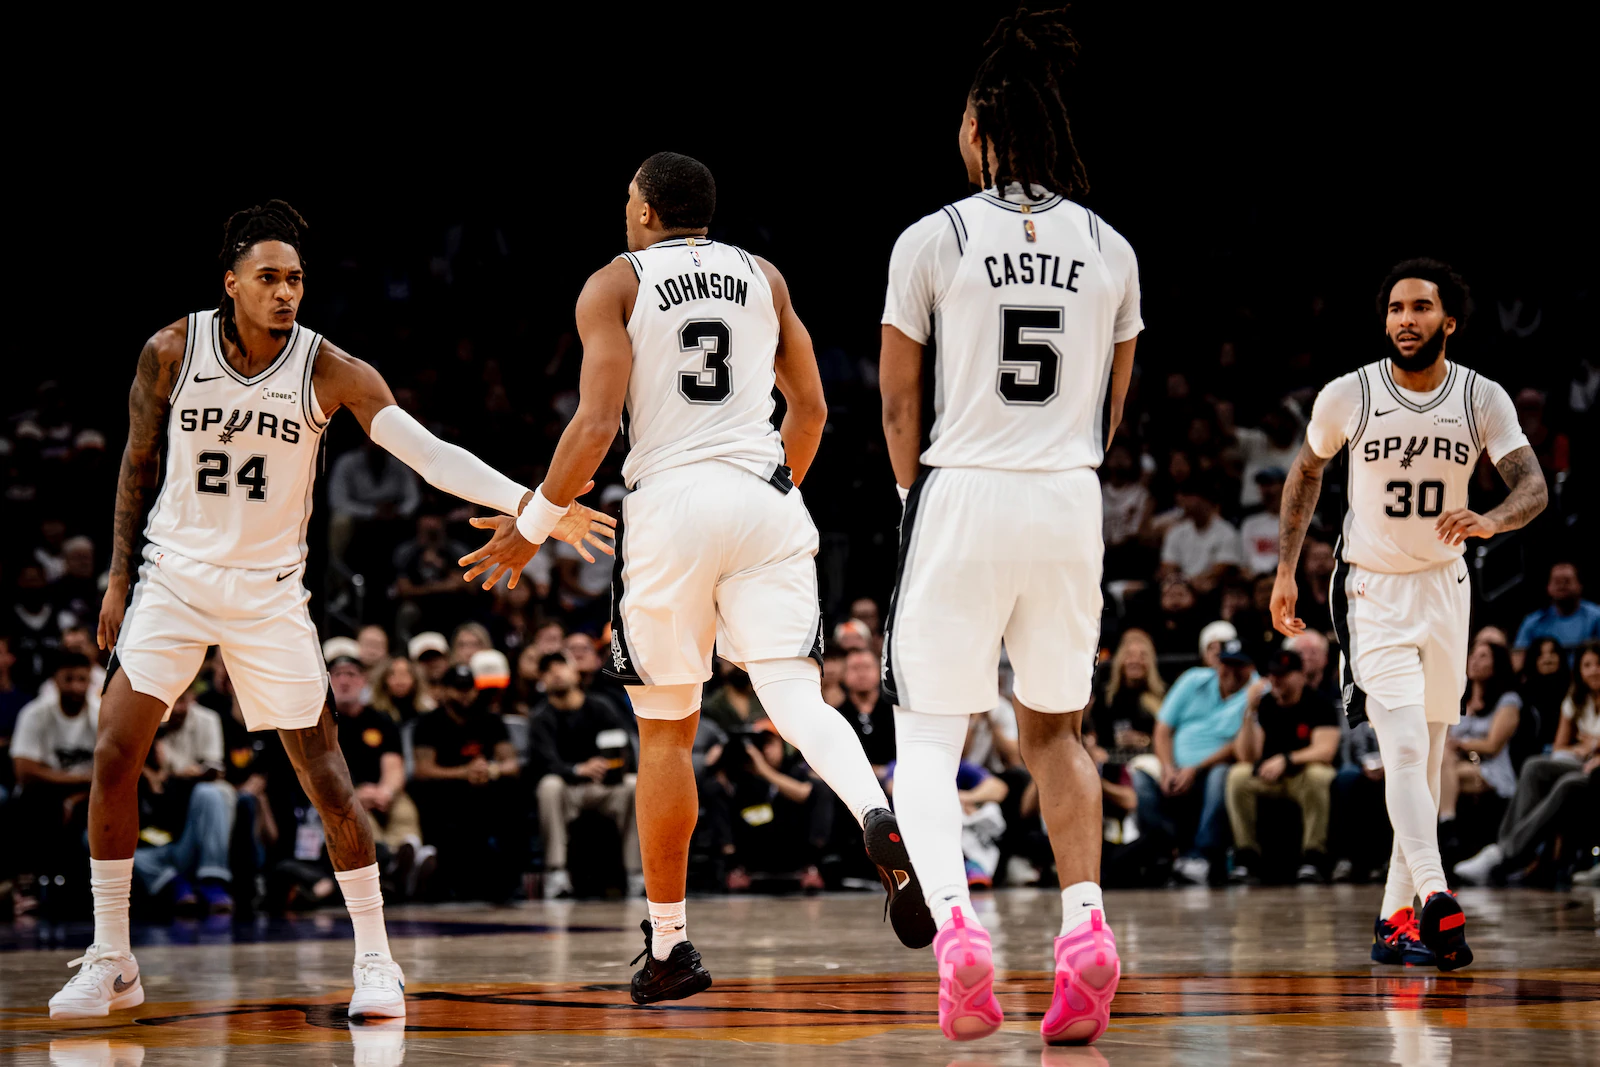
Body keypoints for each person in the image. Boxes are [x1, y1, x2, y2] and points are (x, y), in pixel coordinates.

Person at [53, 200, 607, 1021]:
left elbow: (427, 454)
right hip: (174, 576)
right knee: (113, 753)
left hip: (269, 591)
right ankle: (112, 956)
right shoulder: (170, 349)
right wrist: (117, 579)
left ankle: (376, 959)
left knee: (327, 776)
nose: (285, 292)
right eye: (268, 278)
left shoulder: (330, 369)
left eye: (296, 279)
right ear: (231, 281)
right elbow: (137, 465)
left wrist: (532, 504)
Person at [459, 151, 929, 1005]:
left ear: (644, 210)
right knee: (797, 700)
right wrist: (773, 489)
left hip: (670, 506)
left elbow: (595, 426)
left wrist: (531, 528)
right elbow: (813, 409)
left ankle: (671, 946)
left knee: (668, 732)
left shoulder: (615, 282)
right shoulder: (764, 276)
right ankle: (875, 812)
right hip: (763, 494)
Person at [876, 9, 1139, 1045]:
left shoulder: (932, 237)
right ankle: (1084, 924)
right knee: (1055, 731)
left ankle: (957, 930)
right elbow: (1114, 406)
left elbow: (899, 401)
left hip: (963, 490)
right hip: (1068, 495)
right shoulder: (1110, 246)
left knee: (927, 735)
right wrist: (1065, 469)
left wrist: (914, 500)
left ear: (983, 127)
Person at [1272, 258, 1546, 973]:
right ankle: (1434, 891)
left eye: (1420, 307)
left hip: (1446, 587)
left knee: (1425, 757)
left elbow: (1533, 486)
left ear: (1449, 321)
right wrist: (1285, 570)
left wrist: (1491, 519)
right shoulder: (1350, 394)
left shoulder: (1480, 396)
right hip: (1371, 589)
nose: (1405, 319)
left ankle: (1395, 920)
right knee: (1399, 747)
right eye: (1395, 308)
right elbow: (1305, 472)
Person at [1453, 641, 1600, 883]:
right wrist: (1588, 748)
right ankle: (1502, 848)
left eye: (1598, 665)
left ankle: (1504, 853)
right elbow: (1560, 747)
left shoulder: (1508, 701)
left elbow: (1492, 745)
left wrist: (1593, 746)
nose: (1594, 670)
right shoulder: (1576, 700)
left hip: (1593, 770)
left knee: (1569, 784)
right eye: (1587, 665)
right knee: (1534, 766)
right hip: (1582, 763)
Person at [528, 653, 642, 899]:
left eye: (561, 666)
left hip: (603, 786)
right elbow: (544, 762)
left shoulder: (600, 707)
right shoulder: (541, 717)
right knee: (548, 786)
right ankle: (556, 873)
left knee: (633, 785)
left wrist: (610, 766)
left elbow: (623, 747)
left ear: (575, 672)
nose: (556, 673)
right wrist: (577, 769)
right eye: (548, 670)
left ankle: (636, 874)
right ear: (542, 680)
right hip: (567, 790)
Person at [1140, 640, 1255, 884]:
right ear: (1217, 664)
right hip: (1174, 766)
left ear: (1251, 668)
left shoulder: (1258, 691)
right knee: (1139, 778)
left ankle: (1200, 856)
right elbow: (1163, 729)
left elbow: (1239, 748)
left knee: (1221, 775)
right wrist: (1167, 767)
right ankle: (1166, 852)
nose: (1231, 672)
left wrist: (1196, 768)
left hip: (1212, 768)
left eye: (1239, 666)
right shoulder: (1193, 679)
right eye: (1227, 664)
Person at [1224, 648, 1340, 882]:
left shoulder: (1318, 703)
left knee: (1318, 775)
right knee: (1238, 775)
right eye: (1273, 675)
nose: (1276, 680)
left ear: (1300, 676)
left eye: (1283, 675)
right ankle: (1247, 856)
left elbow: (1325, 751)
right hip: (1272, 779)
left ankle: (1313, 856)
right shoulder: (1266, 704)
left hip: (1302, 776)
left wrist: (1287, 759)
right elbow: (1247, 755)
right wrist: (1249, 711)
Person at [410, 665, 523, 901]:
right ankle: (447, 883)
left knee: (511, 792)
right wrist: (463, 772)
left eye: (468, 688)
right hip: (446, 791)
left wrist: (490, 769)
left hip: (485, 786)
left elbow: (511, 764)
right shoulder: (429, 723)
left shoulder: (490, 719)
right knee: (434, 794)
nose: (464, 694)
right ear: (444, 690)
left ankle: (509, 883)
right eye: (457, 688)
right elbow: (423, 770)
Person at [132, 683, 233, 913]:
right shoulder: (140, 726)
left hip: (184, 839)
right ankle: (176, 885)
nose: (175, 709)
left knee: (213, 793)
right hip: (152, 847)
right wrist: (149, 774)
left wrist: (168, 776)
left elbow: (212, 771)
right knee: (100, 845)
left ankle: (212, 880)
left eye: (182, 700)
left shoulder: (206, 721)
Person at [8, 652, 98, 895]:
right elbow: (24, 772)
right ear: (55, 680)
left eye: (82, 679)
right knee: (32, 803)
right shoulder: (35, 714)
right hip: (43, 795)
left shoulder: (101, 714)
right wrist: (82, 778)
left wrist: (75, 797)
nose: (76, 687)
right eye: (69, 679)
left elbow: (114, 774)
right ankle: (28, 887)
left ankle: (79, 890)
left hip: (87, 796)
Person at [329, 655, 423, 877]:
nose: (344, 681)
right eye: (338, 675)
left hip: (382, 791)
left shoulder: (381, 719)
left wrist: (386, 792)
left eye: (351, 674)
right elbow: (323, 772)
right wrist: (355, 794)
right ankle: (388, 863)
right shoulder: (323, 724)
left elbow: (394, 764)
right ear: (328, 682)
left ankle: (408, 855)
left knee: (404, 809)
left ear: (363, 681)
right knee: (359, 817)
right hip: (344, 797)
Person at [1437, 641, 1522, 835]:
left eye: (1483, 656)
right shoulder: (1458, 699)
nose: (1474, 660)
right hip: (1453, 763)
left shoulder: (1508, 701)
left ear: (1497, 663)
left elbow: (1492, 745)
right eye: (1473, 655)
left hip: (1490, 768)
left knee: (1433, 778)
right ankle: (1447, 823)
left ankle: (1445, 826)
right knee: (1440, 764)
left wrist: (1461, 744)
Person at [1158, 476, 1243, 595]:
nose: (1184, 501)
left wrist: (1191, 583)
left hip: (1211, 588)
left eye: (1190, 497)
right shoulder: (1176, 532)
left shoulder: (1226, 532)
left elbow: (1222, 569)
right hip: (1181, 586)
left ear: (1206, 500)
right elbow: (1168, 566)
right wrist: (1182, 584)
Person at [1511, 562, 1600, 670]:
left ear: (1579, 585)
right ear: (1548, 587)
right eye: (1557, 582)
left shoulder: (1596, 616)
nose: (1562, 586)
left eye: (1567, 581)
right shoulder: (1533, 622)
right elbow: (1518, 662)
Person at [836, 647, 896, 780]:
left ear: (880, 671)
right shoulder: (836, 715)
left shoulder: (895, 712)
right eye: (855, 668)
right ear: (843, 674)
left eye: (867, 667)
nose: (862, 674)